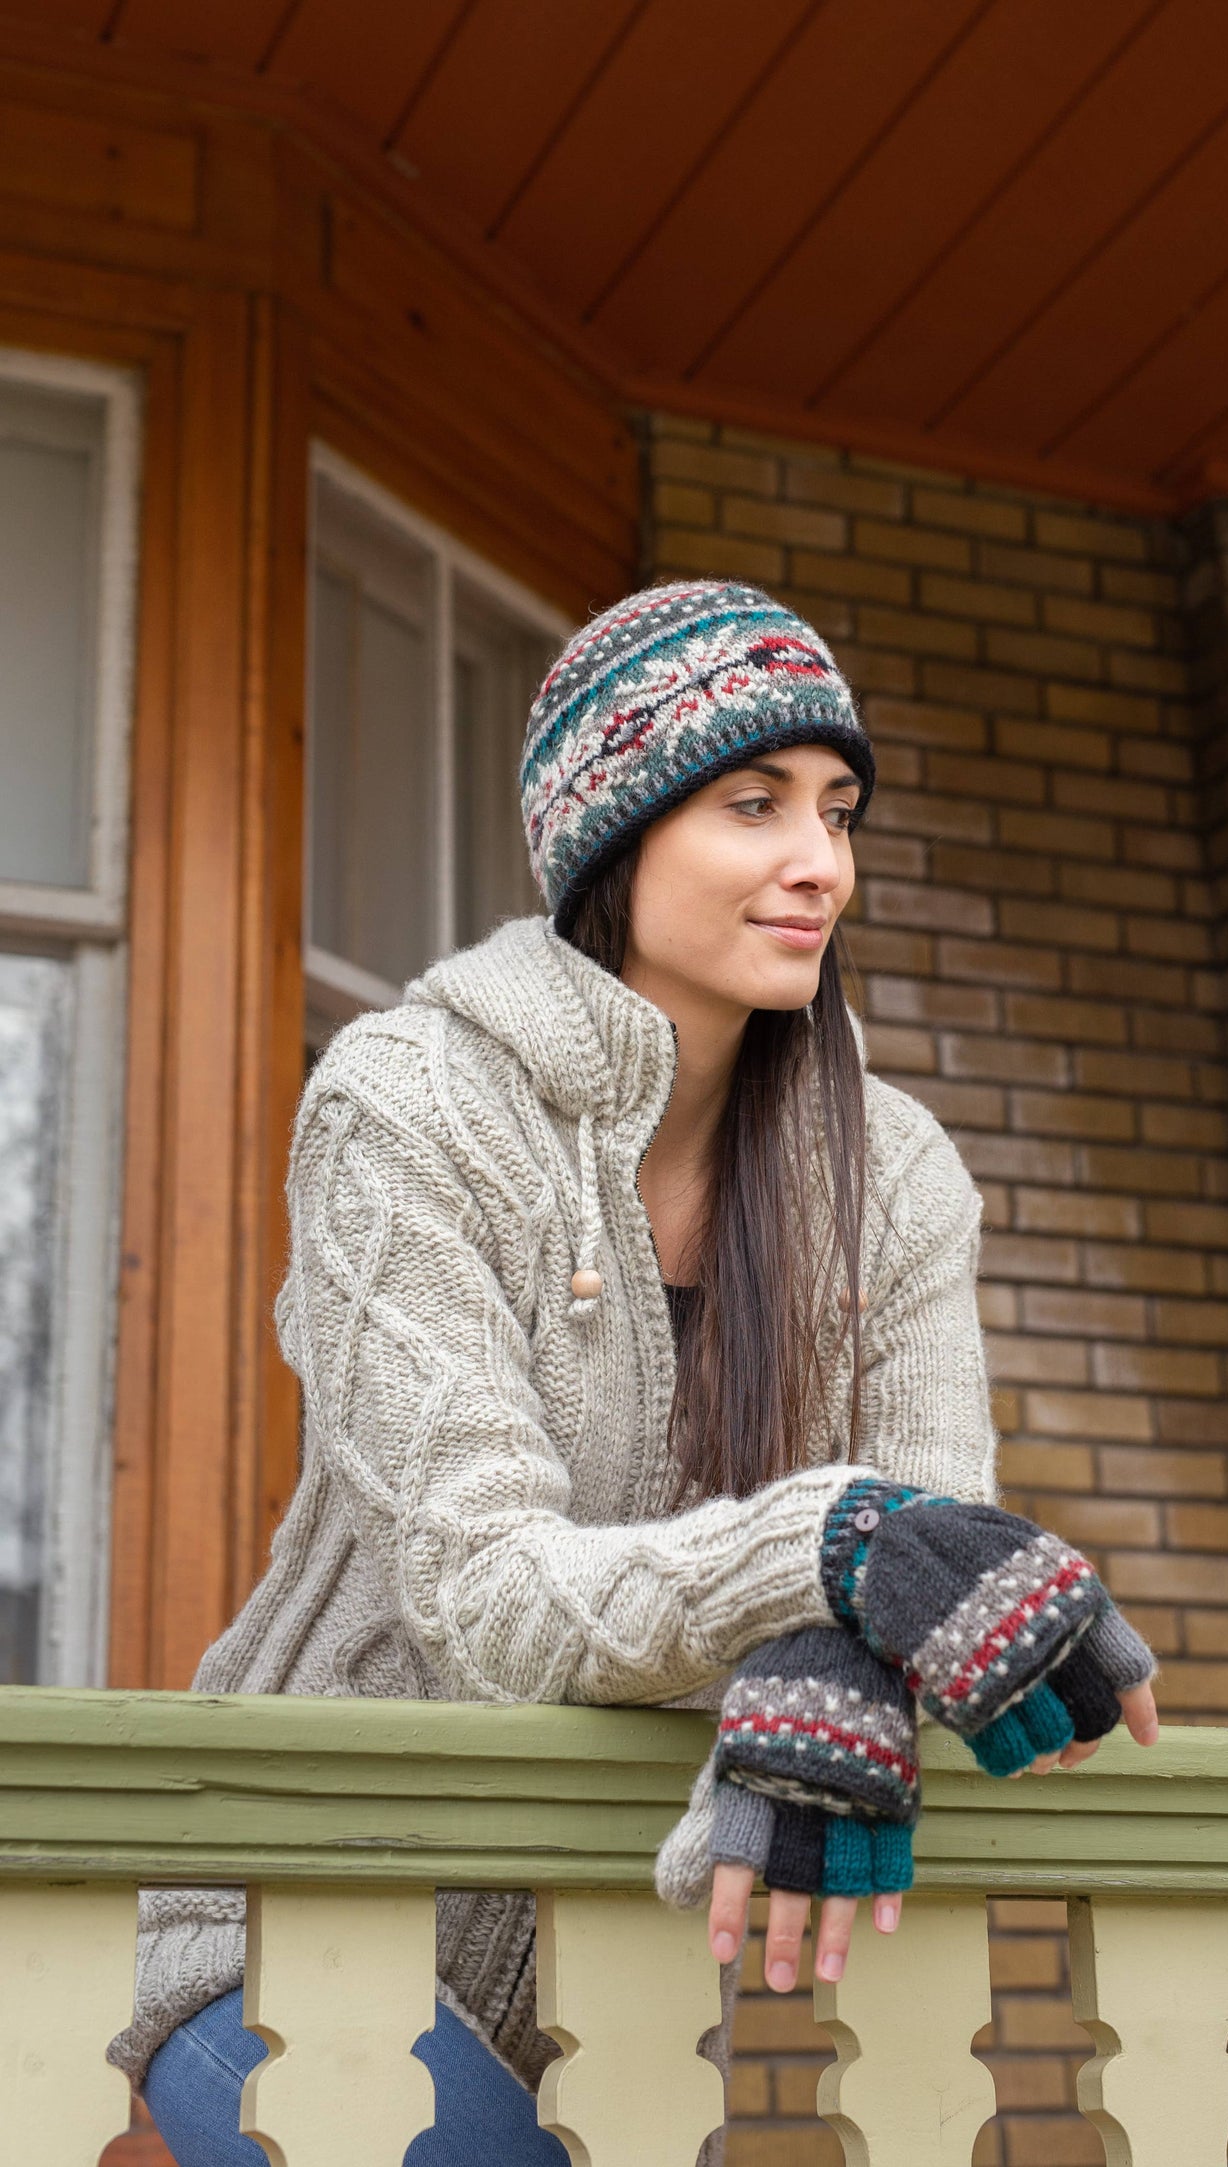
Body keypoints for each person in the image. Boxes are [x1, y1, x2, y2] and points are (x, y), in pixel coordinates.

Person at [112, 580, 1158, 2164]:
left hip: (613, 1960)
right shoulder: (407, 1106)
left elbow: (932, 1537)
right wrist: (826, 1556)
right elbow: (487, 1588)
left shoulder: (898, 1173)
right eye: (752, 805)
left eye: (836, 808)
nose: (820, 863)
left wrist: (858, 1642)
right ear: (616, 840)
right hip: (300, 1894)